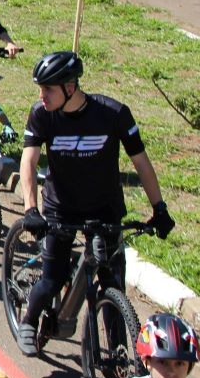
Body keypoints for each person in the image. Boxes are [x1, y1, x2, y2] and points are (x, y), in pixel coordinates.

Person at [16, 51, 172, 357]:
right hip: (61, 208)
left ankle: (119, 353)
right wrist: (31, 209)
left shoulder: (114, 114)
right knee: (51, 279)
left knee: (112, 282)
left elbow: (141, 162)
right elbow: (28, 161)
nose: (41, 95)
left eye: (47, 89)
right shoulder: (41, 114)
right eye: (40, 88)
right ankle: (29, 322)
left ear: (70, 87)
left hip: (105, 209)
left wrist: (160, 208)